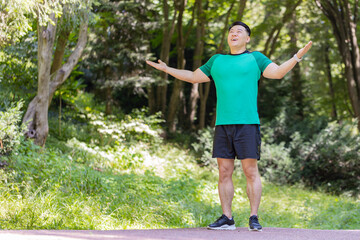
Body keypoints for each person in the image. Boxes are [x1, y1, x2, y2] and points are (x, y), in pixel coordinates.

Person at [146, 21, 312, 232]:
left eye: (239, 31)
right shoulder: (217, 60)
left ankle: (253, 217)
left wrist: (297, 57)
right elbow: (193, 76)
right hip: (223, 125)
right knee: (224, 172)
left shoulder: (256, 58)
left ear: (247, 38)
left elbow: (278, 72)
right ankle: (227, 218)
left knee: (250, 171)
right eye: (231, 31)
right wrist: (167, 69)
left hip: (247, 124)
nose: (234, 33)